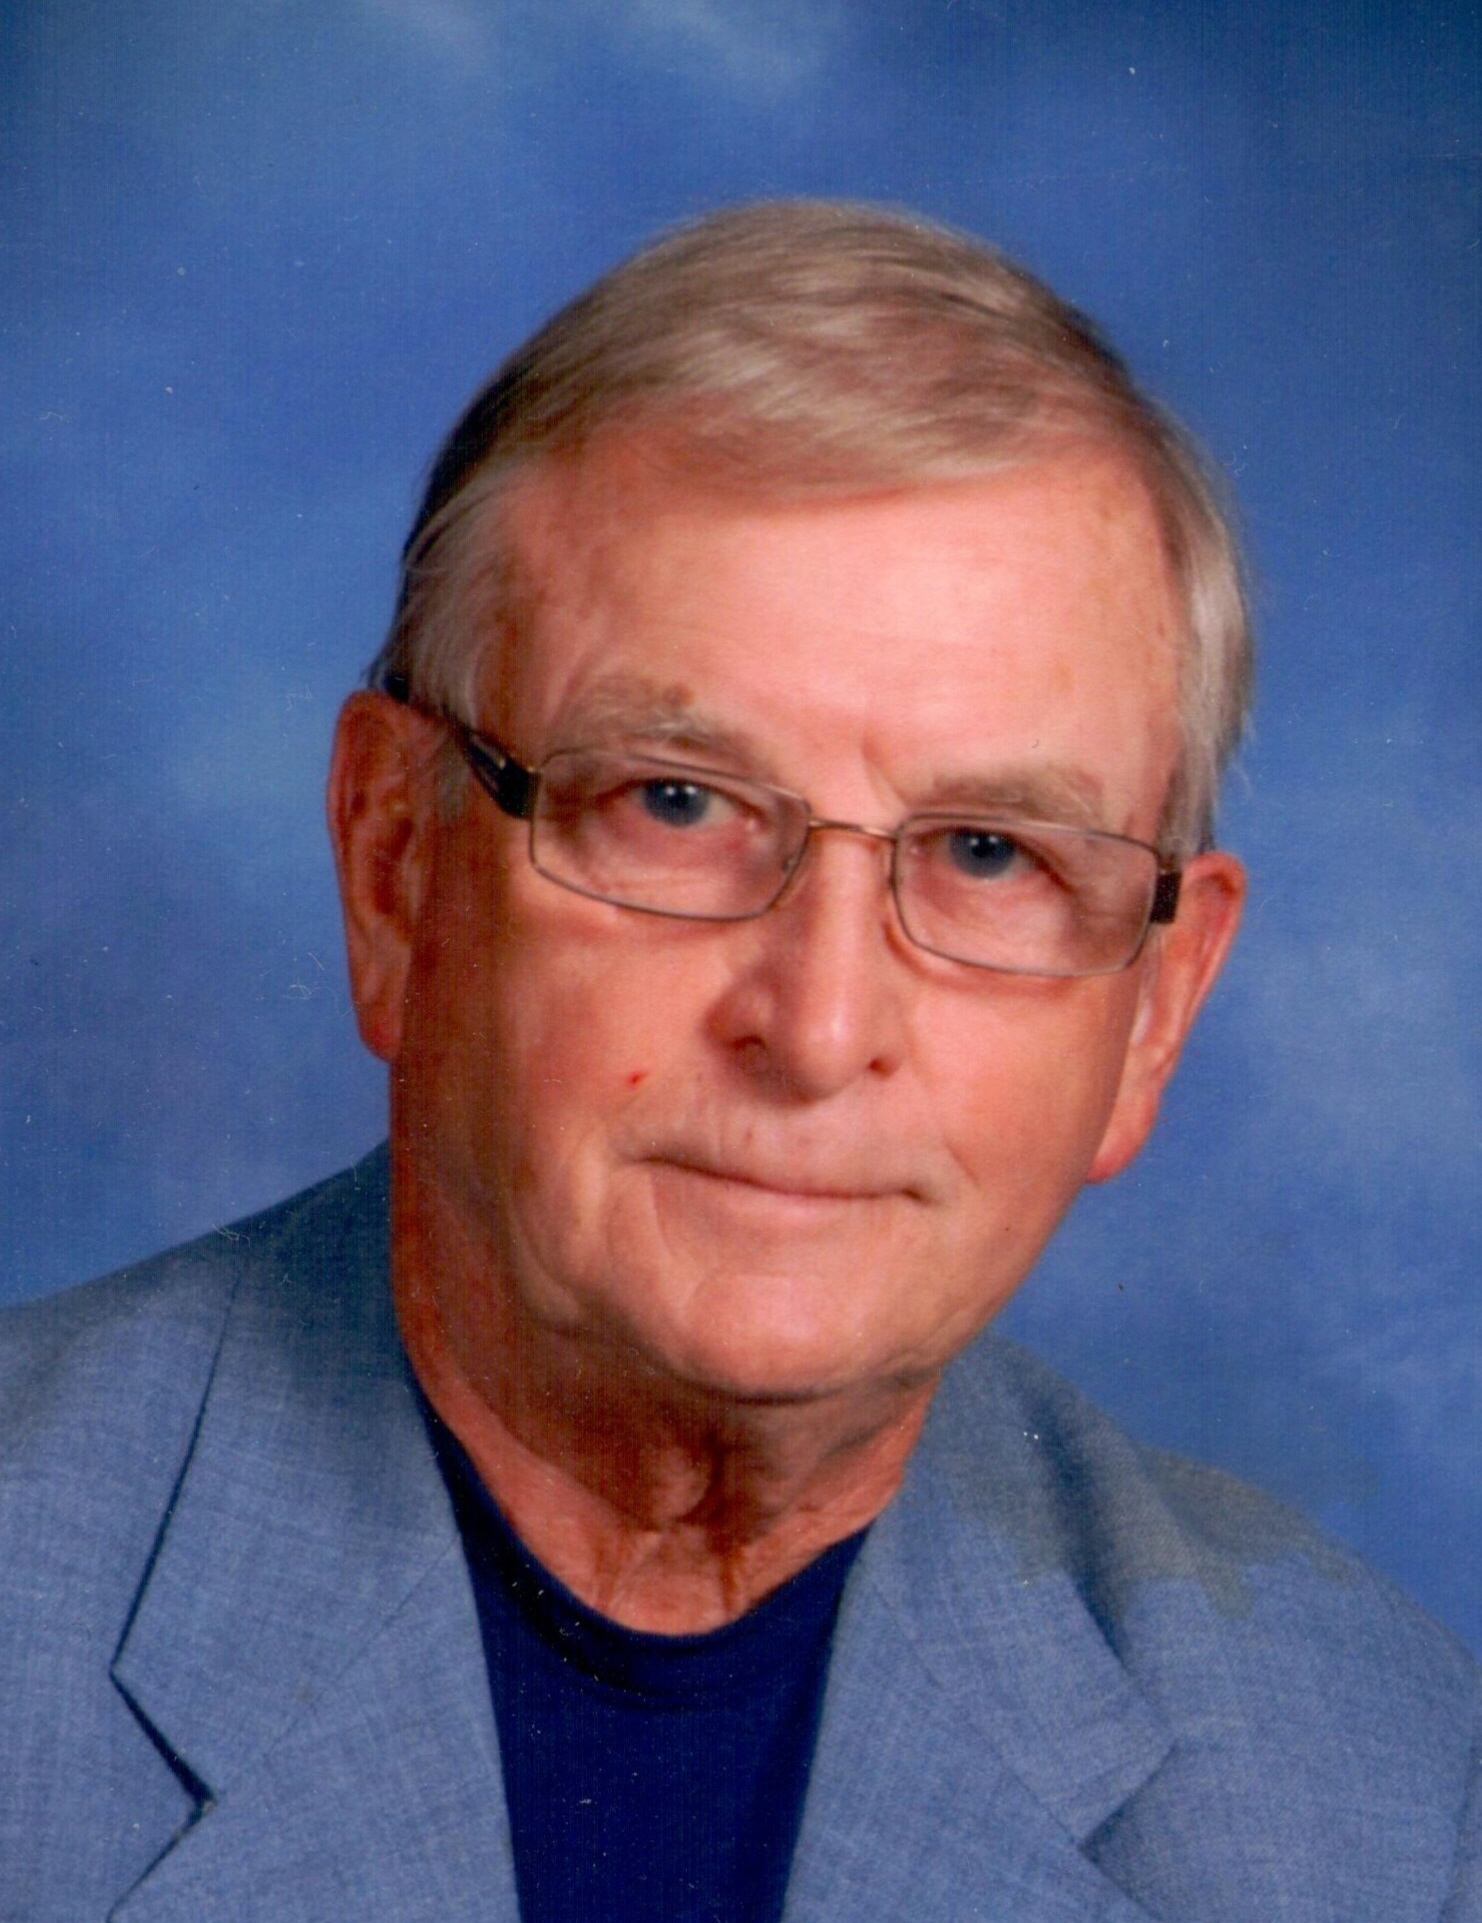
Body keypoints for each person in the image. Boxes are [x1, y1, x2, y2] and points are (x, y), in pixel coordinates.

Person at [2, 200, 1478, 1922]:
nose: (819, 1029)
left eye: (989, 853)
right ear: (395, 867)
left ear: (1153, 1009)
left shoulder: (1370, 1790)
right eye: (675, 805)